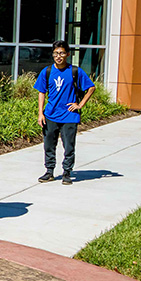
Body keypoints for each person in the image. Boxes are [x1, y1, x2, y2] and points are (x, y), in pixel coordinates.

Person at [35, 40, 96, 185]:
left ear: (67, 54)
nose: (58, 56)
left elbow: (91, 88)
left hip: (69, 116)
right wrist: (40, 113)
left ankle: (67, 172)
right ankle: (49, 171)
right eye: (56, 53)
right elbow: (41, 92)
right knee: (49, 145)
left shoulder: (75, 71)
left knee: (69, 146)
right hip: (50, 115)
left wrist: (80, 105)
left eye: (62, 53)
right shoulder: (47, 71)